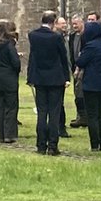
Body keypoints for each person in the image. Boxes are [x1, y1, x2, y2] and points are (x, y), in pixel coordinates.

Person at [27, 10, 71, 156]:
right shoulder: (56, 37)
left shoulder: (33, 36)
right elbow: (63, 58)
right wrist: (66, 77)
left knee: (42, 112)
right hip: (55, 78)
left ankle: (40, 145)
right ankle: (52, 146)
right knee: (54, 113)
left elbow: (32, 57)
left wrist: (30, 76)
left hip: (39, 78)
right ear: (53, 23)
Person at [75, 20, 101, 152]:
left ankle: (95, 143)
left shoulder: (91, 46)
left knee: (92, 115)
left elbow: (81, 61)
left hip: (91, 84)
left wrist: (81, 56)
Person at [0, 21, 21, 143]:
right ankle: (10, 134)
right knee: (11, 106)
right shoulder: (9, 45)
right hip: (9, 78)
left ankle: (1, 134)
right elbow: (15, 63)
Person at [53, 15, 72, 138]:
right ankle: (60, 127)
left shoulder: (66, 37)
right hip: (57, 74)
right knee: (58, 103)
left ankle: (60, 127)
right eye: (61, 23)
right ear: (55, 25)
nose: (64, 25)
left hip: (63, 72)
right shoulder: (56, 38)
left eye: (65, 23)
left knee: (60, 102)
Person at [67, 15, 87, 127]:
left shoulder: (86, 35)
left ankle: (85, 117)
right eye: (73, 24)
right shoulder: (72, 36)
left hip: (84, 68)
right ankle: (80, 116)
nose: (74, 26)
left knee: (82, 94)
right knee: (77, 93)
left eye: (76, 24)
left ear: (81, 23)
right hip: (75, 67)